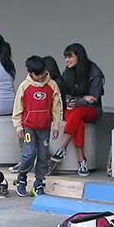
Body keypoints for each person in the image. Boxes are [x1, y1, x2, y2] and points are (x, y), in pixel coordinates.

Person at [48, 43, 104, 176]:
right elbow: (66, 95)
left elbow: (93, 99)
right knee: (78, 122)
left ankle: (62, 148)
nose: (67, 60)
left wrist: (78, 100)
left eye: (70, 57)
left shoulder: (94, 72)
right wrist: (81, 99)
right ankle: (81, 160)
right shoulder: (68, 72)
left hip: (91, 110)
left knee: (77, 113)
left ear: (79, 56)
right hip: (73, 109)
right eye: (66, 57)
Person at [11, 55, 63, 197]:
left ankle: (39, 182)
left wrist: (56, 125)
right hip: (28, 127)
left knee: (43, 155)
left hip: (44, 127)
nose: (41, 77)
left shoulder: (52, 85)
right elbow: (17, 108)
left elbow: (57, 107)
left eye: (43, 73)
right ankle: (21, 178)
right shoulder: (24, 86)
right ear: (30, 73)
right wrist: (18, 126)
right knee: (29, 153)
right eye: (37, 74)